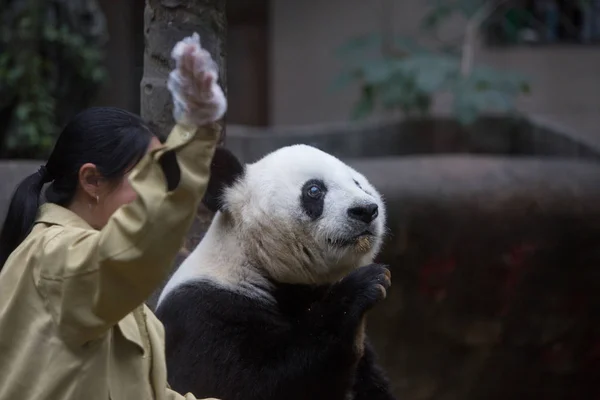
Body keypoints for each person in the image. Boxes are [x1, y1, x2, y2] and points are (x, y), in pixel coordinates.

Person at [0, 33, 226, 400]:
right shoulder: (54, 257)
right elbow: (135, 244)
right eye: (146, 178)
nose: (158, 193)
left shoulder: (97, 276)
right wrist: (194, 136)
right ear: (91, 180)